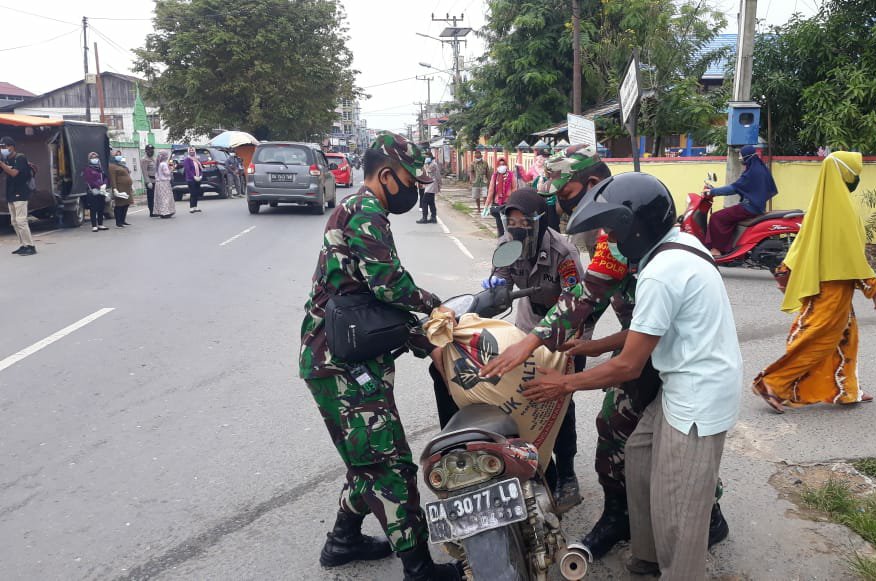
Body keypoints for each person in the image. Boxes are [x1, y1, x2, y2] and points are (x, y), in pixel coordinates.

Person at [479, 144, 731, 560]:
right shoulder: (622, 228)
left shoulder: (625, 232)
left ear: (593, 184)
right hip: (647, 341)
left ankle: (670, 516)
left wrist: (533, 349)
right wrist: (590, 344)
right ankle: (635, 514)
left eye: (566, 193)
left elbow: (585, 296)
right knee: (628, 433)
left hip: (663, 355)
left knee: (625, 430)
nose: (562, 204)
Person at [299, 131, 461, 580]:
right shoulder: (366, 211)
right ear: (387, 175)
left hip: (342, 355)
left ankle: (343, 541)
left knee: (366, 457)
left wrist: (416, 333)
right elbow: (388, 283)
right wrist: (434, 304)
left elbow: (370, 293)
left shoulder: (358, 209)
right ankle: (419, 569)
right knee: (388, 464)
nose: (413, 188)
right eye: (410, 179)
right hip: (341, 364)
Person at [752, 152, 876, 414]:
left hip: (824, 285)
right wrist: (875, 290)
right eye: (854, 172)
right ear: (845, 175)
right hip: (832, 287)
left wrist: (787, 271)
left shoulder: (822, 206)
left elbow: (802, 244)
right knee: (817, 340)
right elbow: (851, 257)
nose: (857, 178)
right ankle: (772, 383)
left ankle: (846, 389)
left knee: (845, 337)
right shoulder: (840, 210)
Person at [482, 187, 588, 511]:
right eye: (511, 221)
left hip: (568, 329)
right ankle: (543, 467)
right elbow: (500, 276)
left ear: (539, 221)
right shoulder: (506, 245)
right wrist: (493, 289)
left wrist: (551, 341)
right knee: (527, 398)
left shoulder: (562, 250)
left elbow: (576, 301)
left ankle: (567, 473)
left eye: (524, 222)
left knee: (560, 400)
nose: (516, 228)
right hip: (528, 325)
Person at [703, 144, 778, 256]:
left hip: (749, 208)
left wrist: (713, 192)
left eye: (741, 156)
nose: (740, 159)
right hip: (757, 206)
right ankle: (730, 245)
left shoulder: (751, 172)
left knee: (716, 217)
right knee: (728, 217)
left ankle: (717, 249)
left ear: (747, 157)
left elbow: (734, 188)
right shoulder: (761, 168)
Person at [0, 136, 36, 256]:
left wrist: (2, 164)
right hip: (11, 193)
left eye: (5, 146)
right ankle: (23, 245)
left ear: (12, 147)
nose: (3, 149)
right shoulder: (6, 160)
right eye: (1, 147)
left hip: (20, 193)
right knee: (14, 221)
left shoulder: (20, 158)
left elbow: (14, 173)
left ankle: (30, 246)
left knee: (21, 221)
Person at [484, 157, 517, 236]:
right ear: (497, 166)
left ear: (506, 165)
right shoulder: (494, 176)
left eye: (503, 164)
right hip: (498, 203)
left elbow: (514, 188)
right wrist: (486, 205)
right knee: (499, 223)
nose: (502, 166)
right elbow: (491, 190)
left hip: (508, 203)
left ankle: (509, 238)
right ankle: (501, 239)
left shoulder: (511, 175)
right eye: (500, 164)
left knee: (509, 223)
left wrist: (512, 199)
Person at [82, 152, 109, 233]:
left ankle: (100, 224)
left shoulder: (100, 169)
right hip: (93, 192)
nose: (95, 159)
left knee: (101, 207)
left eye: (96, 157)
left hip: (102, 191)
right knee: (94, 209)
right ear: (89, 159)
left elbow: (105, 177)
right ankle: (94, 226)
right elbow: (90, 180)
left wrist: (104, 184)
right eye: (92, 158)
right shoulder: (88, 169)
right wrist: (99, 186)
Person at [109, 156, 135, 227]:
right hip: (120, 188)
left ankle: (123, 220)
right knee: (119, 205)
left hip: (127, 188)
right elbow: (113, 178)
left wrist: (132, 186)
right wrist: (114, 188)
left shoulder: (123, 167)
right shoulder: (112, 167)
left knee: (126, 204)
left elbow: (128, 176)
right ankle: (118, 222)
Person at [416, 153, 440, 224]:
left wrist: (439, 184)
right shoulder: (430, 164)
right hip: (430, 185)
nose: (426, 158)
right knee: (431, 202)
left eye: (427, 157)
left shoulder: (433, 165)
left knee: (424, 201)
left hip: (431, 185)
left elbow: (426, 172)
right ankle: (433, 217)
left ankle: (424, 218)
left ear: (430, 157)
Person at [153, 151, 176, 218]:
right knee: (166, 197)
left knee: (160, 198)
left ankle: (160, 212)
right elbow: (167, 173)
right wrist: (172, 169)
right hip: (164, 183)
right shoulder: (164, 164)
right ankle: (166, 212)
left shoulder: (158, 164)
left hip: (158, 183)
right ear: (165, 156)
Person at [183, 146, 204, 213]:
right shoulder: (187, 160)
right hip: (191, 179)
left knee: (197, 193)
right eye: (190, 151)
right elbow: (188, 170)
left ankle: (195, 206)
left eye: (193, 150)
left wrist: (200, 176)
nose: (192, 152)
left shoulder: (197, 159)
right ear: (188, 152)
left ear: (195, 151)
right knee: (193, 193)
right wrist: (193, 176)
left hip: (198, 178)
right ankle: (191, 207)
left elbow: (200, 168)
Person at [141, 145, 157, 217]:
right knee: (151, 197)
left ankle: (156, 210)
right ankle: (151, 211)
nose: (151, 151)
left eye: (152, 150)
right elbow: (144, 172)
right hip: (150, 181)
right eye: (150, 150)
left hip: (156, 180)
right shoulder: (144, 159)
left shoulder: (153, 158)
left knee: (156, 196)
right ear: (146, 151)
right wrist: (148, 182)